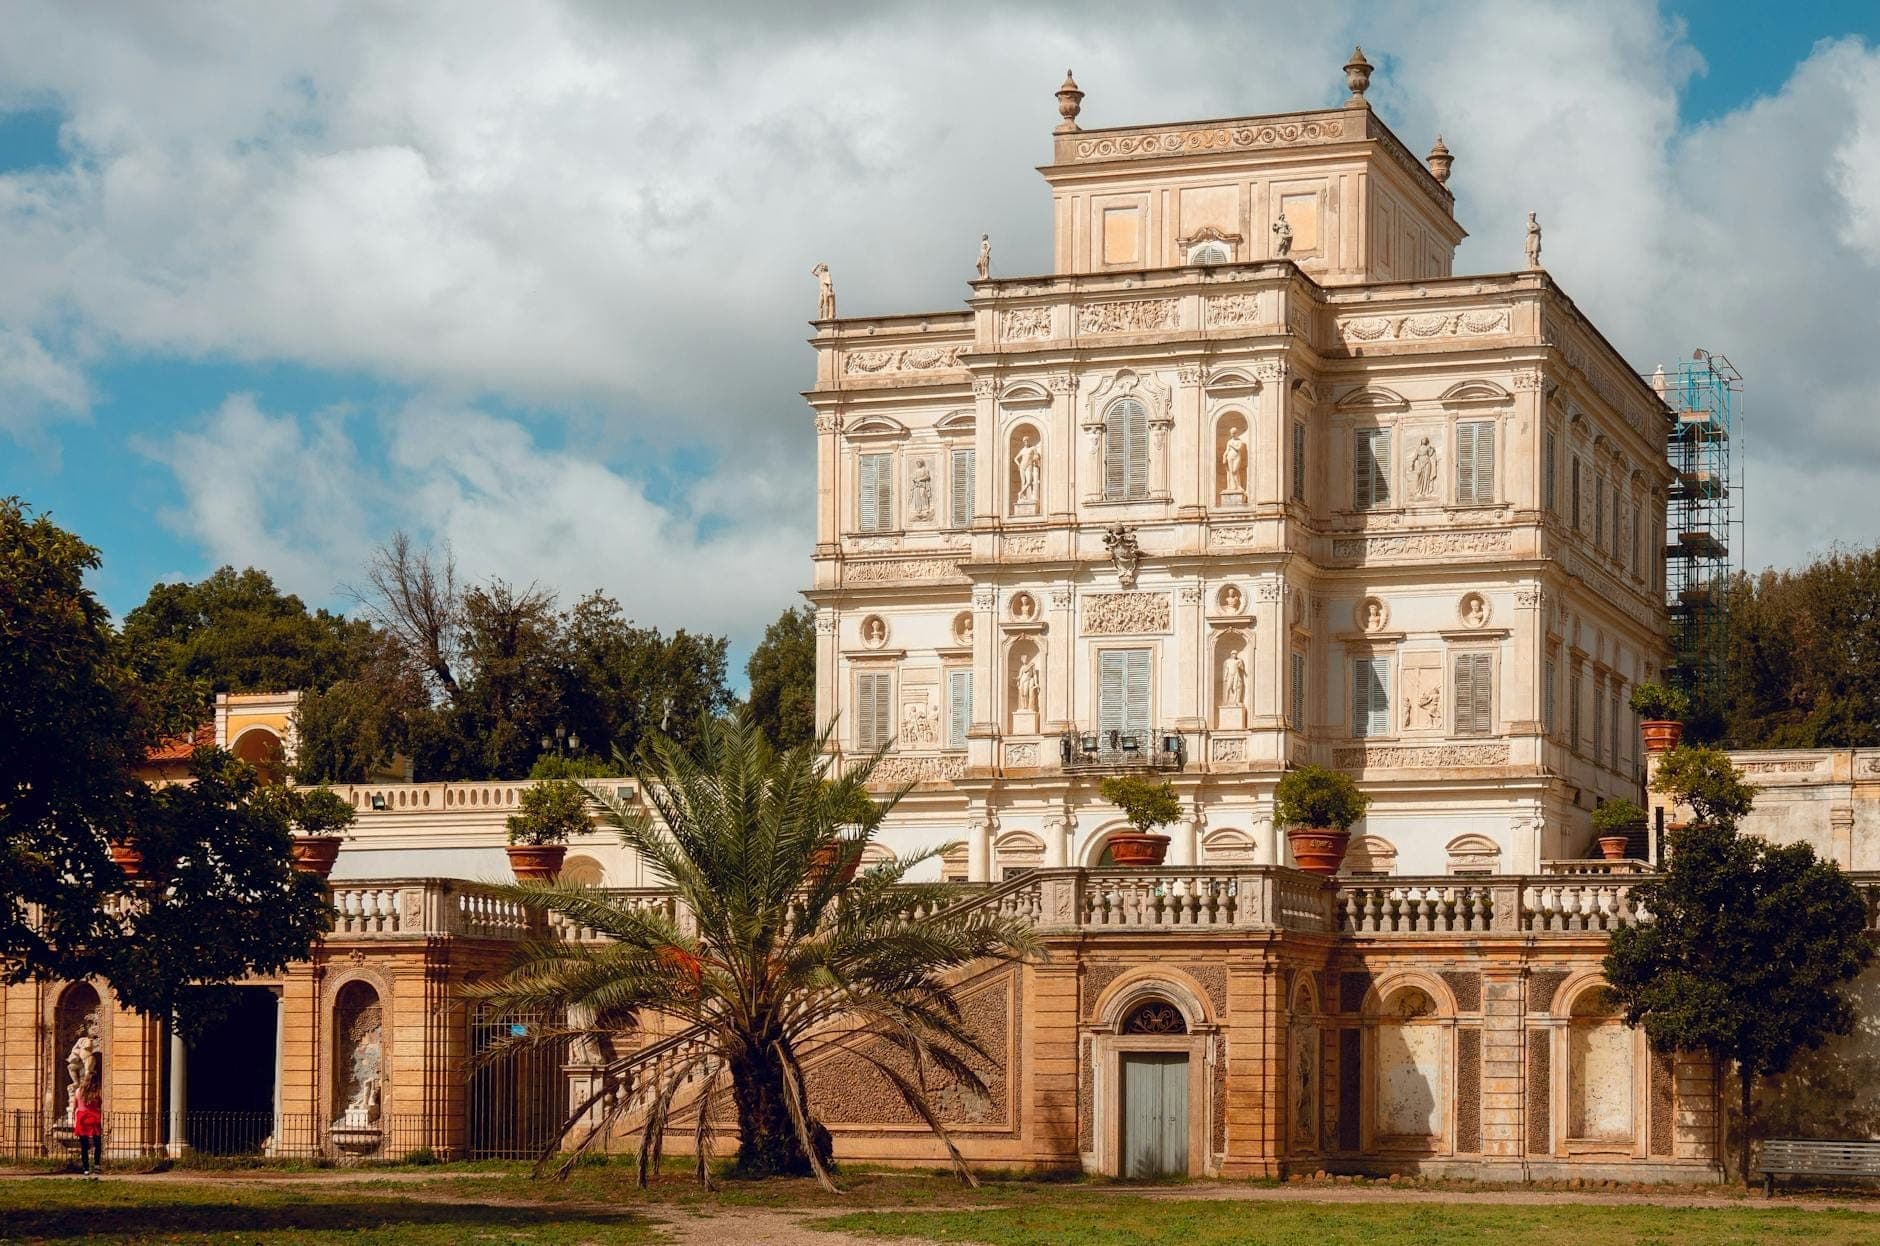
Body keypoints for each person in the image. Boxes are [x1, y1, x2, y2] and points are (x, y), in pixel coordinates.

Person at [73, 1082, 102, 1178]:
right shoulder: (96, 1093)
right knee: (97, 1143)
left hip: (82, 1118)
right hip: (93, 1117)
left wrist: (74, 1117)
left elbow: (75, 1106)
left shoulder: (78, 1091)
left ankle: (86, 1168)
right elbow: (99, 1104)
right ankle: (97, 1165)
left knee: (84, 1146)